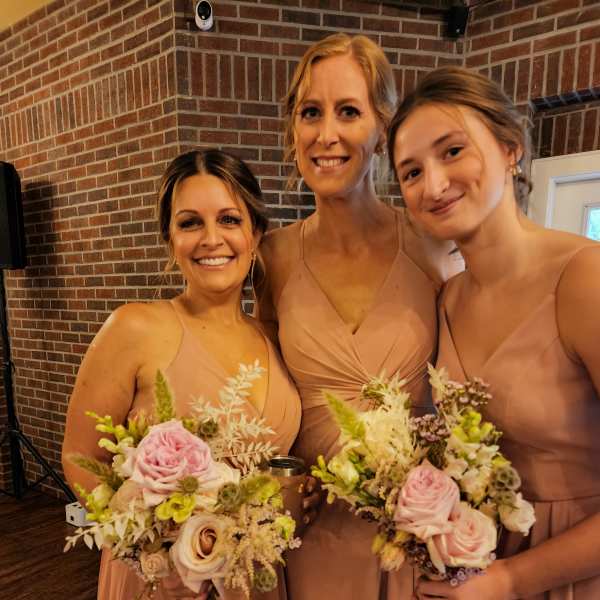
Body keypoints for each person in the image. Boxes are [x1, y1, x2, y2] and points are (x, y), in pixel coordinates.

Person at [389, 66, 600, 600]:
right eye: (411, 172)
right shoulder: (447, 299)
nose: (433, 184)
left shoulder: (584, 278)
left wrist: (513, 579)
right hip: (477, 570)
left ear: (510, 148)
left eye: (452, 151)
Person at [258, 34, 454, 599]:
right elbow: (262, 395)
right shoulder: (272, 256)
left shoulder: (432, 245)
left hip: (414, 535)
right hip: (312, 534)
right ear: (292, 130)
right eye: (310, 113)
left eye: (348, 111)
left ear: (382, 129)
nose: (327, 134)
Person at [62, 149, 302, 600]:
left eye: (229, 220)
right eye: (190, 223)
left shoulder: (278, 337)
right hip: (163, 582)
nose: (211, 239)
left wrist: (298, 498)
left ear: (255, 234)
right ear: (170, 239)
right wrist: (151, 547)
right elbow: (79, 457)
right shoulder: (134, 327)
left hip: (254, 577)